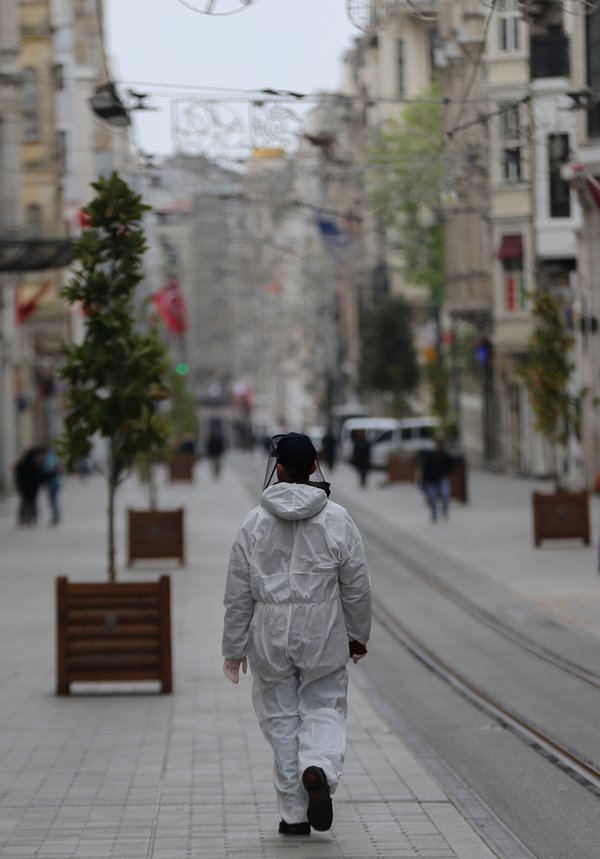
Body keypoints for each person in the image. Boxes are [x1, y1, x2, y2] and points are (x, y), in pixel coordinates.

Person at [221, 432, 371, 837]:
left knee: (280, 717)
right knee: (325, 704)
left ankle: (294, 815)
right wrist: (357, 635)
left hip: (269, 630)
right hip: (321, 627)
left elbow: (238, 593)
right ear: (314, 466)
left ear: (279, 468)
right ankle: (318, 766)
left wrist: (234, 648)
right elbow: (357, 586)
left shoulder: (254, 522)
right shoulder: (337, 519)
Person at [417, 436, 455, 522]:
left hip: (442, 478)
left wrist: (447, 473)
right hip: (431, 480)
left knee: (445, 494)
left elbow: (451, 464)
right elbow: (424, 468)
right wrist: (423, 480)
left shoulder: (445, 455)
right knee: (432, 497)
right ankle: (434, 515)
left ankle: (444, 510)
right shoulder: (429, 455)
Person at [14, 447, 44, 526]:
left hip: (24, 487)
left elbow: (18, 475)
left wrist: (19, 485)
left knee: (24, 503)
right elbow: (39, 478)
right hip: (33, 488)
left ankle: (23, 518)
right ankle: (33, 518)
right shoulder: (35, 466)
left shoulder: (22, 465)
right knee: (32, 503)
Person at [41, 443, 62, 526]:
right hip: (57, 481)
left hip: (52, 481)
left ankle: (55, 518)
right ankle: (56, 517)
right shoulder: (54, 457)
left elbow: (47, 469)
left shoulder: (47, 458)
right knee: (54, 500)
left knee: (53, 500)